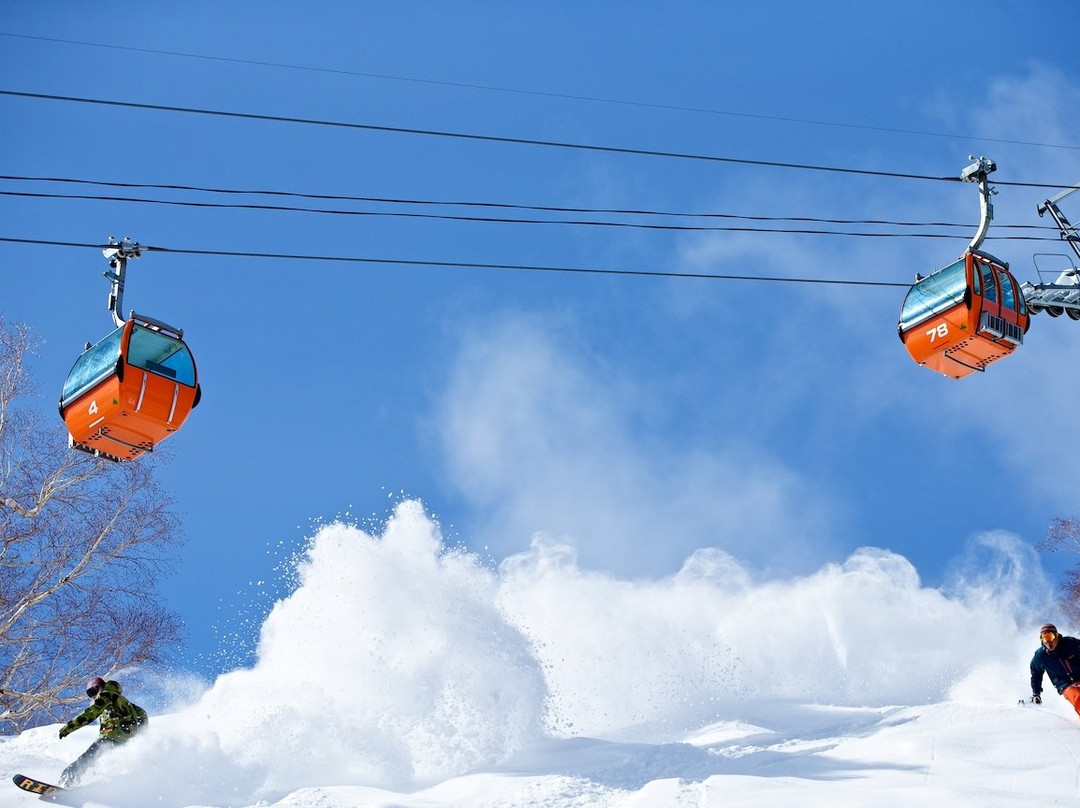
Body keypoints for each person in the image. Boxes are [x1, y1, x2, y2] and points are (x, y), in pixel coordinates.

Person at [58, 677, 148, 787]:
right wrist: (138, 736)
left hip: (112, 736)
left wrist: (68, 727)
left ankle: (66, 781)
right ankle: (104, 788)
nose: (92, 697)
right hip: (124, 740)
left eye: (91, 692)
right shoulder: (123, 700)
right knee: (102, 763)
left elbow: (91, 713)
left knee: (88, 757)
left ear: (98, 687)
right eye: (89, 694)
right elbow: (142, 714)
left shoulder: (106, 695)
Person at [1029, 623, 1080, 719]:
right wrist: (1036, 693)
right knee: (1078, 697)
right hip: (1065, 684)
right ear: (1041, 639)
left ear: (1056, 636)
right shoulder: (1041, 656)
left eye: (1051, 637)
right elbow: (1036, 673)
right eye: (1045, 638)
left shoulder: (1070, 644)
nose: (1049, 642)